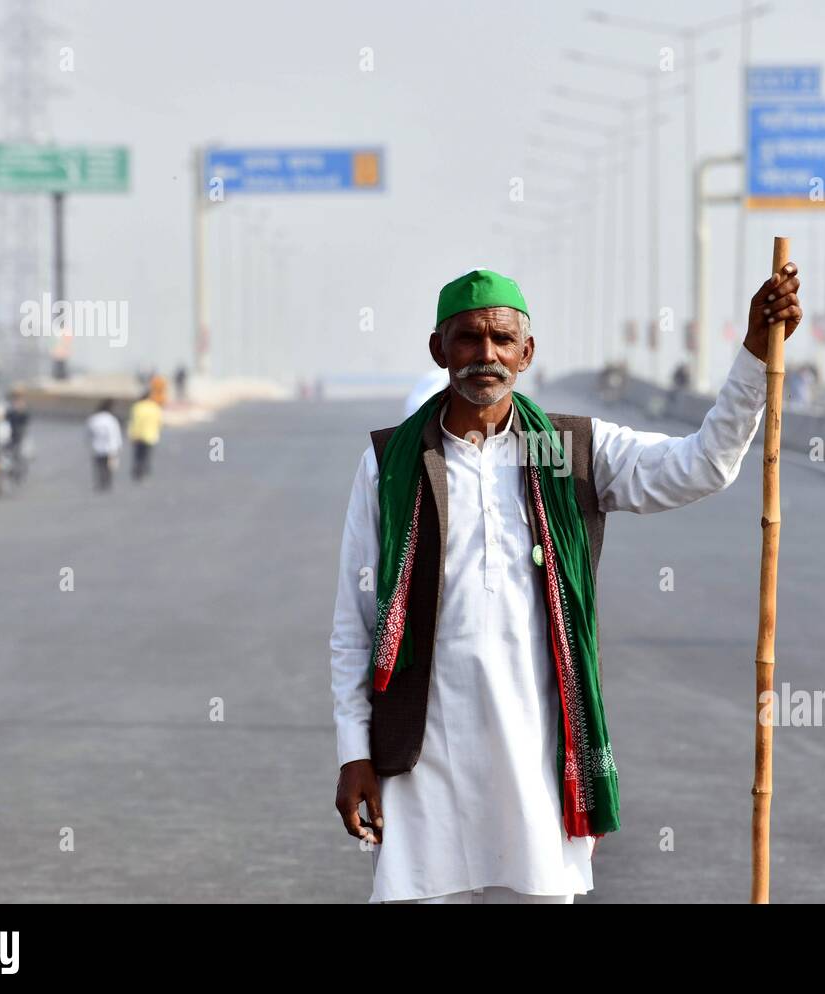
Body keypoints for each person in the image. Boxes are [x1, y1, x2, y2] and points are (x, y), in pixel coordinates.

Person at [329, 263, 801, 904]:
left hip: (539, 755)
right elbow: (355, 624)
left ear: (527, 353)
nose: (485, 355)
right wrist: (353, 752)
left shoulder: (573, 450)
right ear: (439, 349)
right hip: (420, 759)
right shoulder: (389, 463)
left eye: (502, 340)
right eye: (468, 338)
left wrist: (752, 355)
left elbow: (702, 465)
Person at [85, 399, 123, 492]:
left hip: (96, 447)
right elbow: (115, 434)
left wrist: (88, 443)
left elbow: (88, 433)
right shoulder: (111, 419)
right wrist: (118, 446)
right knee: (108, 466)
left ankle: (100, 482)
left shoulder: (94, 418)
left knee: (99, 466)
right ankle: (106, 483)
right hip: (110, 447)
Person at [127, 390, 163, 482]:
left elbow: (133, 421)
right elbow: (159, 422)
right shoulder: (154, 407)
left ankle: (138, 472)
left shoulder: (137, 406)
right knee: (147, 455)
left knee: (138, 455)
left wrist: (131, 434)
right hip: (150, 435)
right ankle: (144, 472)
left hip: (137, 435)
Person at [3, 389, 31, 483]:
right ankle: (13, 472)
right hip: (12, 436)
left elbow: (26, 421)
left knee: (22, 455)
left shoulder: (23, 410)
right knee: (10, 454)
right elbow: (6, 419)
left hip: (21, 436)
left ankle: (19, 473)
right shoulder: (10, 410)